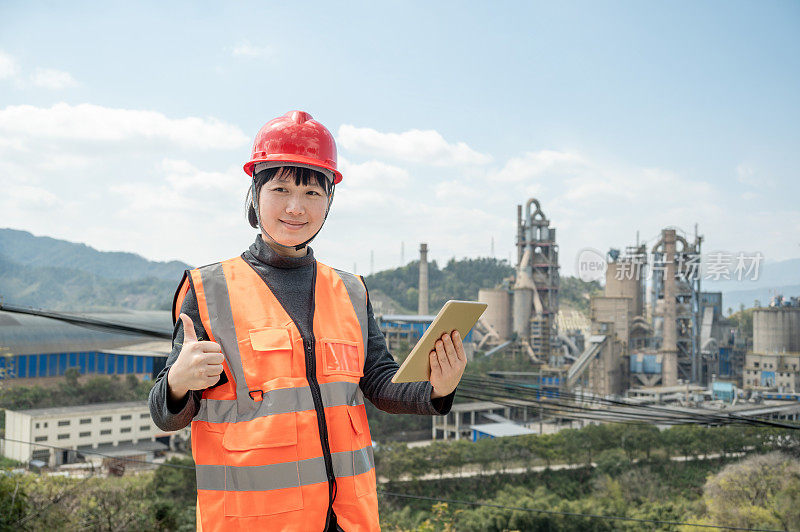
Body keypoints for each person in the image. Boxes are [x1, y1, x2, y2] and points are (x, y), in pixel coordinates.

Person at [149, 110, 468, 531]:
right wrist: (178, 383)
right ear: (255, 193)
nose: (296, 207)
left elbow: (378, 382)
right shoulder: (209, 291)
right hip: (252, 521)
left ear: (329, 201)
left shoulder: (351, 291)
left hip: (347, 518)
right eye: (280, 189)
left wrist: (436, 389)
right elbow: (165, 414)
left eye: (313, 194)